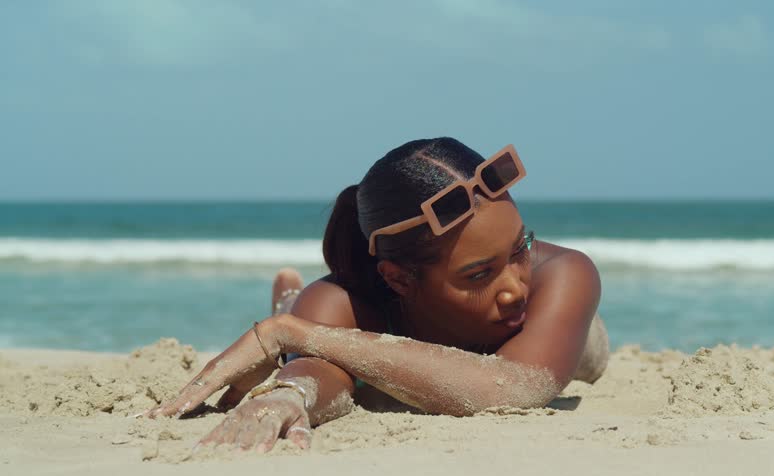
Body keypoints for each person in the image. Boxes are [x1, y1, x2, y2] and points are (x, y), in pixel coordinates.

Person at [145, 137, 610, 453]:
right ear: (400, 279)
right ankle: (291, 301)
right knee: (313, 315)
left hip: (575, 345)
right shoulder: (346, 301)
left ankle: (287, 309)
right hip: (344, 314)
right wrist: (292, 394)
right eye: (478, 274)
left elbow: (513, 386)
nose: (514, 288)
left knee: (306, 324)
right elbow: (321, 371)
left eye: (519, 248)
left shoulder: (562, 275)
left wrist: (290, 332)